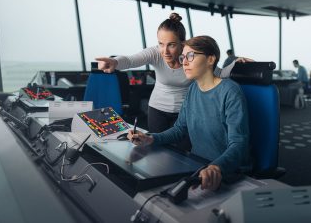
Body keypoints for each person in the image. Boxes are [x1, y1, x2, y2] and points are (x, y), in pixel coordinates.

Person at [96, 13, 249, 143]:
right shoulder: (155, 53)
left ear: (182, 44)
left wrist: (236, 64)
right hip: (157, 109)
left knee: (183, 153)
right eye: (161, 44)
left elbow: (219, 73)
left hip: (184, 112)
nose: (165, 51)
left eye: (171, 45)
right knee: (157, 150)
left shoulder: (192, 57)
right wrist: (114, 62)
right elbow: (130, 60)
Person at [126, 35, 250, 191]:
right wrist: (150, 139)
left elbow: (239, 144)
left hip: (224, 172)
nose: (183, 62)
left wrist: (216, 167)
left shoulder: (230, 91)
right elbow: (180, 129)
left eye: (191, 56)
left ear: (210, 59)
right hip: (197, 166)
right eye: (183, 57)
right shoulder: (193, 89)